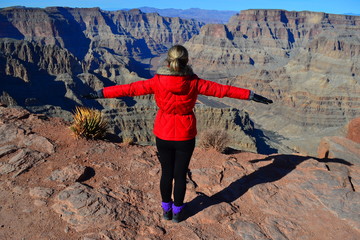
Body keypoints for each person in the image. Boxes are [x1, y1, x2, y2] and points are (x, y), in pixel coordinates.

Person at [83, 45, 273, 223]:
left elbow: (129, 89)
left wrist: (100, 93)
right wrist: (250, 95)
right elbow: (224, 91)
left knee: (167, 173)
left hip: (163, 133)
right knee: (180, 174)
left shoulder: (157, 81)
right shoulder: (194, 82)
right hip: (185, 134)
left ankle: (166, 210)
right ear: (186, 61)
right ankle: (178, 212)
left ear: (168, 62)